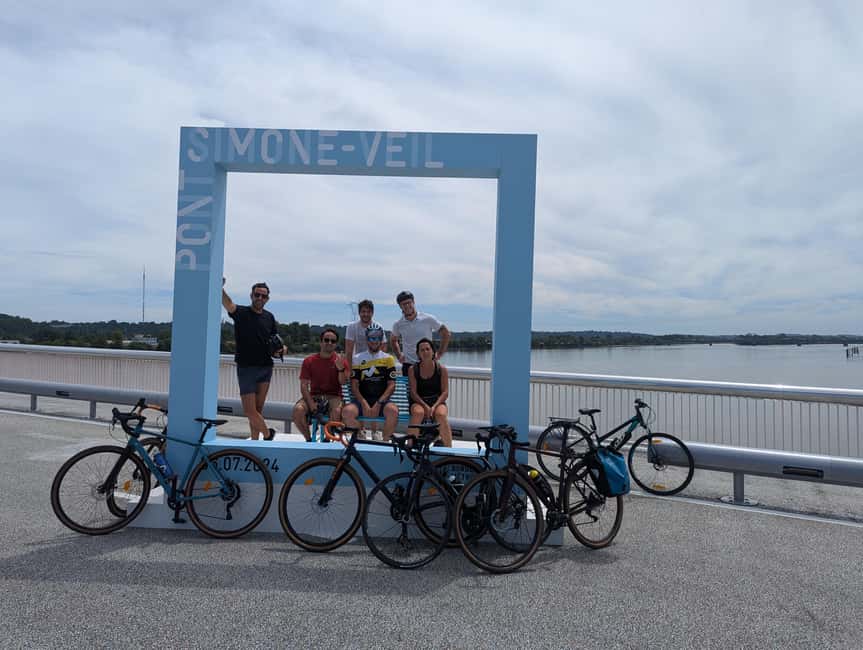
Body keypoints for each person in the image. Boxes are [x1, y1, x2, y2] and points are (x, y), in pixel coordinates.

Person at [222, 279, 286, 441]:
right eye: (257, 295)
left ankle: (255, 441)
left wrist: (282, 350)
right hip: (246, 367)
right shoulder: (242, 313)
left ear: (267, 299)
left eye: (263, 296)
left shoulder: (269, 317)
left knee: (258, 409)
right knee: (250, 411)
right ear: (251, 295)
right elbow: (229, 304)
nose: (260, 298)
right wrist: (219, 288)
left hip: (265, 367)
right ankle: (267, 434)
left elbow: (274, 341)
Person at [342, 323, 398, 441]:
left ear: (381, 339)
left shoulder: (388, 359)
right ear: (367, 339)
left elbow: (392, 385)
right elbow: (354, 385)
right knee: (347, 412)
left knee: (393, 411)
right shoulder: (357, 358)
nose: (374, 340)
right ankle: (360, 436)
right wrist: (363, 403)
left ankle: (385, 442)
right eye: (371, 337)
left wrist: (378, 403)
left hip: (382, 401)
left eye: (377, 337)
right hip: (362, 400)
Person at [293, 328, 350, 441]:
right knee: (298, 410)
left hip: (334, 396)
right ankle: (308, 440)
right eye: (326, 340)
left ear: (335, 344)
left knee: (337, 411)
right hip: (315, 395)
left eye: (332, 341)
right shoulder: (309, 361)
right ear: (321, 342)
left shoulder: (341, 361)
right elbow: (304, 385)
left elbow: (343, 382)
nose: (329, 343)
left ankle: (327, 439)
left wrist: (341, 369)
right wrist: (310, 403)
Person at [390, 290, 450, 377]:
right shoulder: (398, 324)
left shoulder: (427, 319)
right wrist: (399, 355)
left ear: (413, 302)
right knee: (410, 391)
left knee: (430, 391)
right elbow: (393, 340)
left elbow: (446, 333)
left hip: (428, 363)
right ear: (400, 306)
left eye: (409, 302)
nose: (407, 306)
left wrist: (440, 353)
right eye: (403, 304)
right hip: (408, 365)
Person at [408, 338, 453, 446]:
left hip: (437, 400)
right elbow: (413, 393)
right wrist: (425, 406)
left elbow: (445, 393)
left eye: (428, 349)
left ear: (433, 351)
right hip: (418, 401)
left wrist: (433, 407)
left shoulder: (441, 369)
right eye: (422, 350)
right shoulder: (413, 369)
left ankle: (449, 449)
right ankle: (411, 445)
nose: (425, 352)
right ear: (418, 353)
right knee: (418, 413)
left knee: (441, 414)